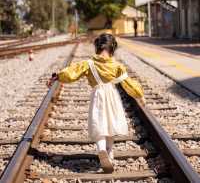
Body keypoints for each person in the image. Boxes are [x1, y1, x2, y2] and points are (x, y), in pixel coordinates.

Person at [47, 33, 145, 173]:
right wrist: (140, 94)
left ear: (97, 48)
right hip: (112, 96)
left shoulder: (88, 64)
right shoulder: (117, 65)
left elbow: (71, 74)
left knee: (99, 123)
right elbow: (128, 84)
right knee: (110, 124)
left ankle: (101, 149)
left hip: (98, 95)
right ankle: (110, 155)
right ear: (112, 49)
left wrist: (57, 76)